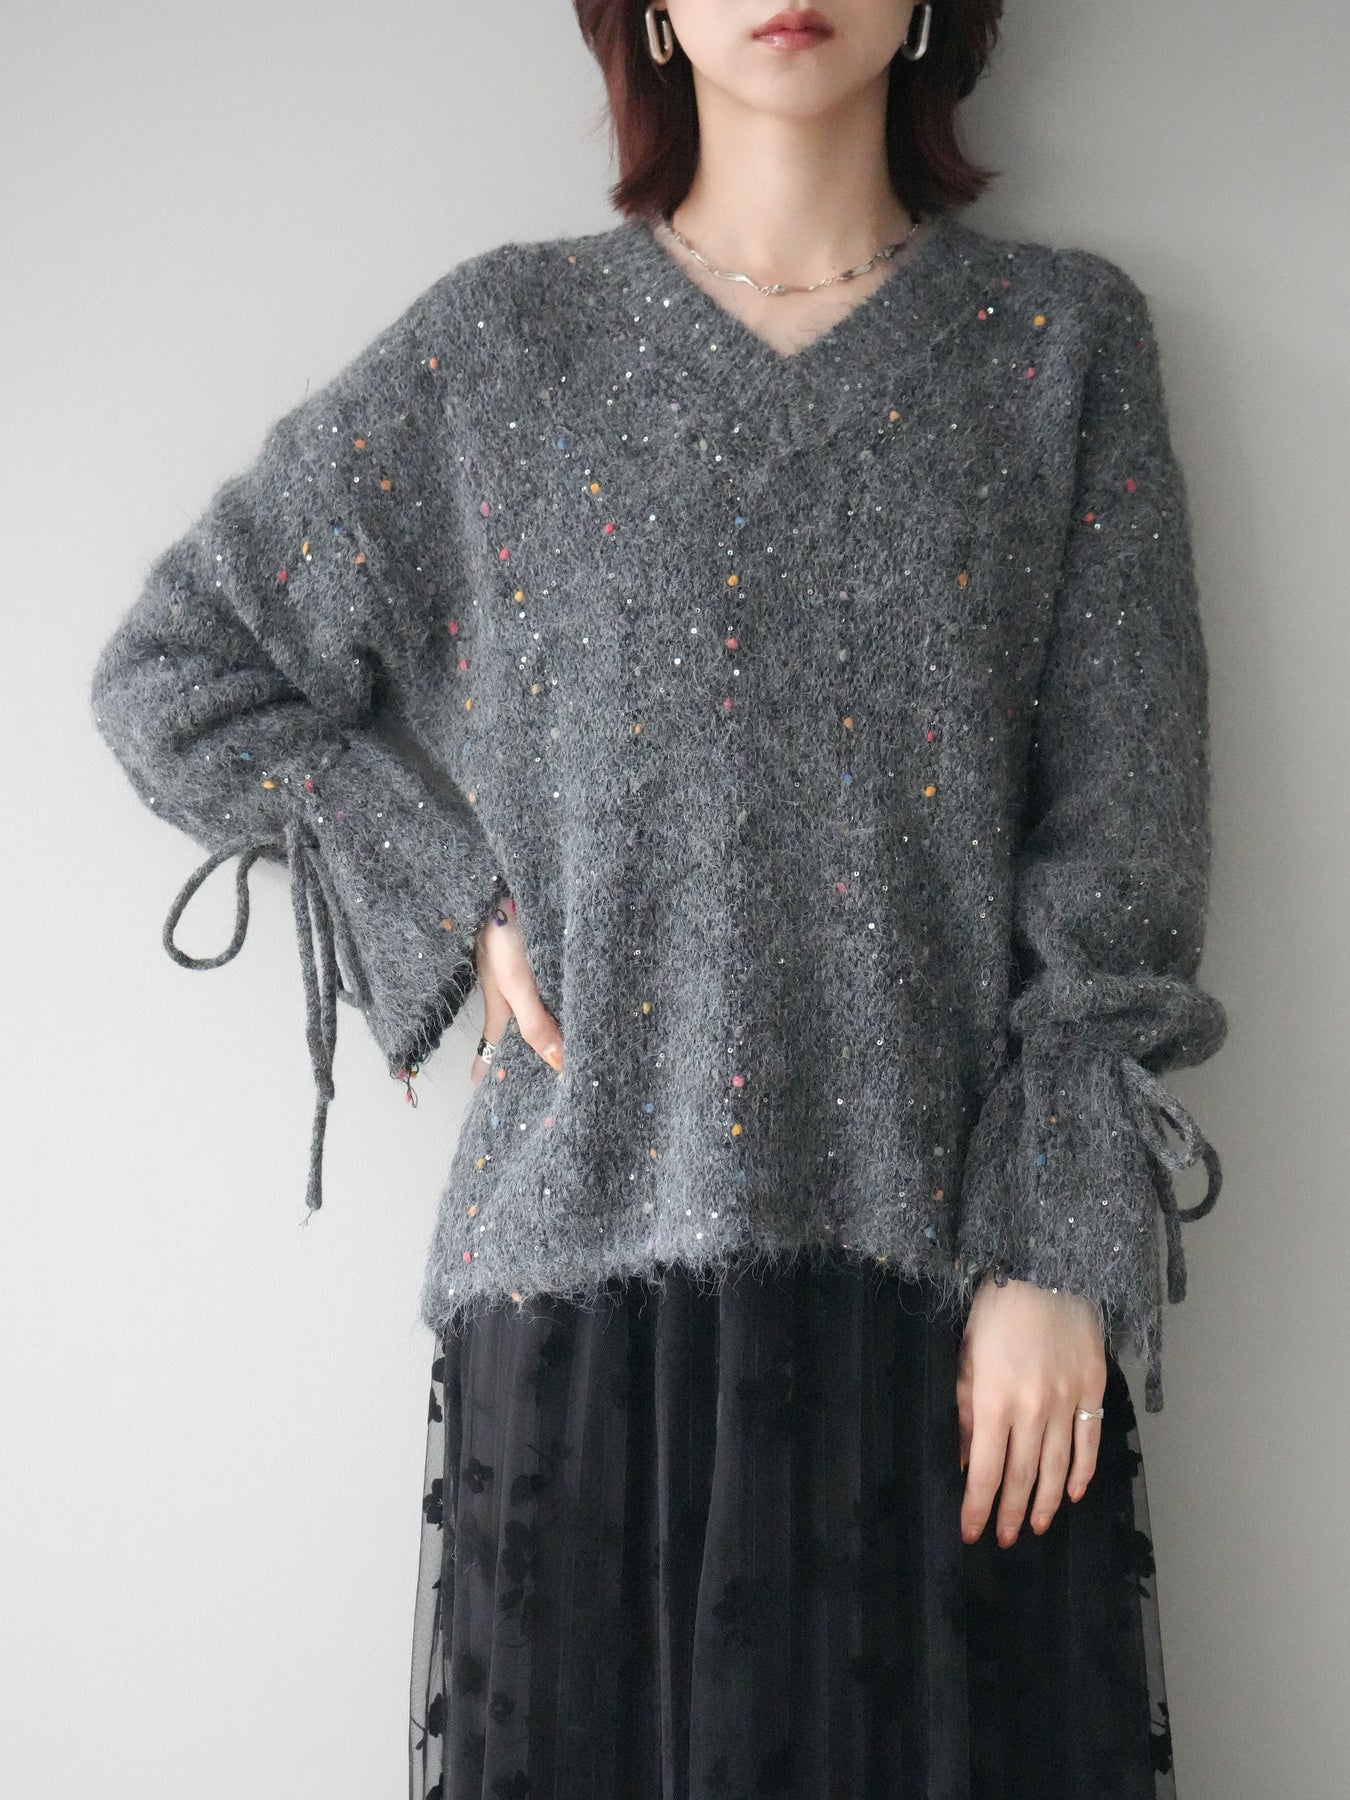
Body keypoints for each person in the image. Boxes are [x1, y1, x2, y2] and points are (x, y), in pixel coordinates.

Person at [89, 2, 1229, 1794]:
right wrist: (443, 899)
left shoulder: (1057, 347)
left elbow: (1123, 832)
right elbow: (181, 668)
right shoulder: (500, 350)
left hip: (959, 1316)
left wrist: (1061, 1251)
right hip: (582, 1315)